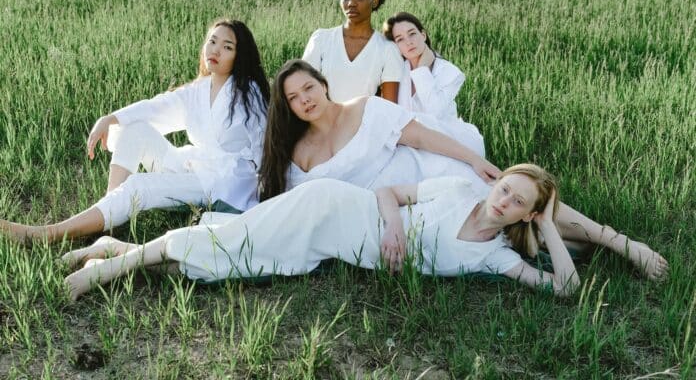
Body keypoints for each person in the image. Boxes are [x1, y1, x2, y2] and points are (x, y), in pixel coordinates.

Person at [62, 164, 668, 301]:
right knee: (229, 250)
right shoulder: (457, 188)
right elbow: (388, 192)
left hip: (334, 247)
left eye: (520, 202)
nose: (504, 198)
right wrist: (396, 227)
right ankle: (106, 271)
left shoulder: (496, 258)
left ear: (525, 215)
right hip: (341, 210)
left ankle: (117, 248)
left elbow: (565, 291)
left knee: (232, 260)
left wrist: (551, 232)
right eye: (505, 186)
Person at [1, 19, 270, 243]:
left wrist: (267, 190)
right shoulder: (199, 89)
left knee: (140, 184)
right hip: (195, 166)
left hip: (223, 181)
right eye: (212, 41)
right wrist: (110, 118)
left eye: (227, 46)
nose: (215, 50)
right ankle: (107, 215)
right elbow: (157, 107)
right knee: (136, 130)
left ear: (239, 56)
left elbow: (267, 141)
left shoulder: (249, 94)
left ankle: (48, 234)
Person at [257, 59, 500, 201]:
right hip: (383, 208)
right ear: (288, 107)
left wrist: (474, 159)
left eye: (308, 88)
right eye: (293, 97)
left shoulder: (365, 109)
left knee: (484, 192)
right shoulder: (297, 151)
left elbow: (420, 137)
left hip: (421, 172)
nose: (305, 99)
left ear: (323, 84)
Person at [302, 0, 403, 103]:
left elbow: (389, 109)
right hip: (323, 123)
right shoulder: (321, 40)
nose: (351, 3)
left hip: (366, 125)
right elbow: (304, 91)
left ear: (374, 0)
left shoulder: (387, 49)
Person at [383, 11, 485, 157]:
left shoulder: (449, 72)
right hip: (406, 144)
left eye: (412, 34)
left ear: (423, 35)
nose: (408, 42)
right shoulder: (396, 72)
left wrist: (422, 69)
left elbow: (434, 113)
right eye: (400, 39)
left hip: (444, 141)